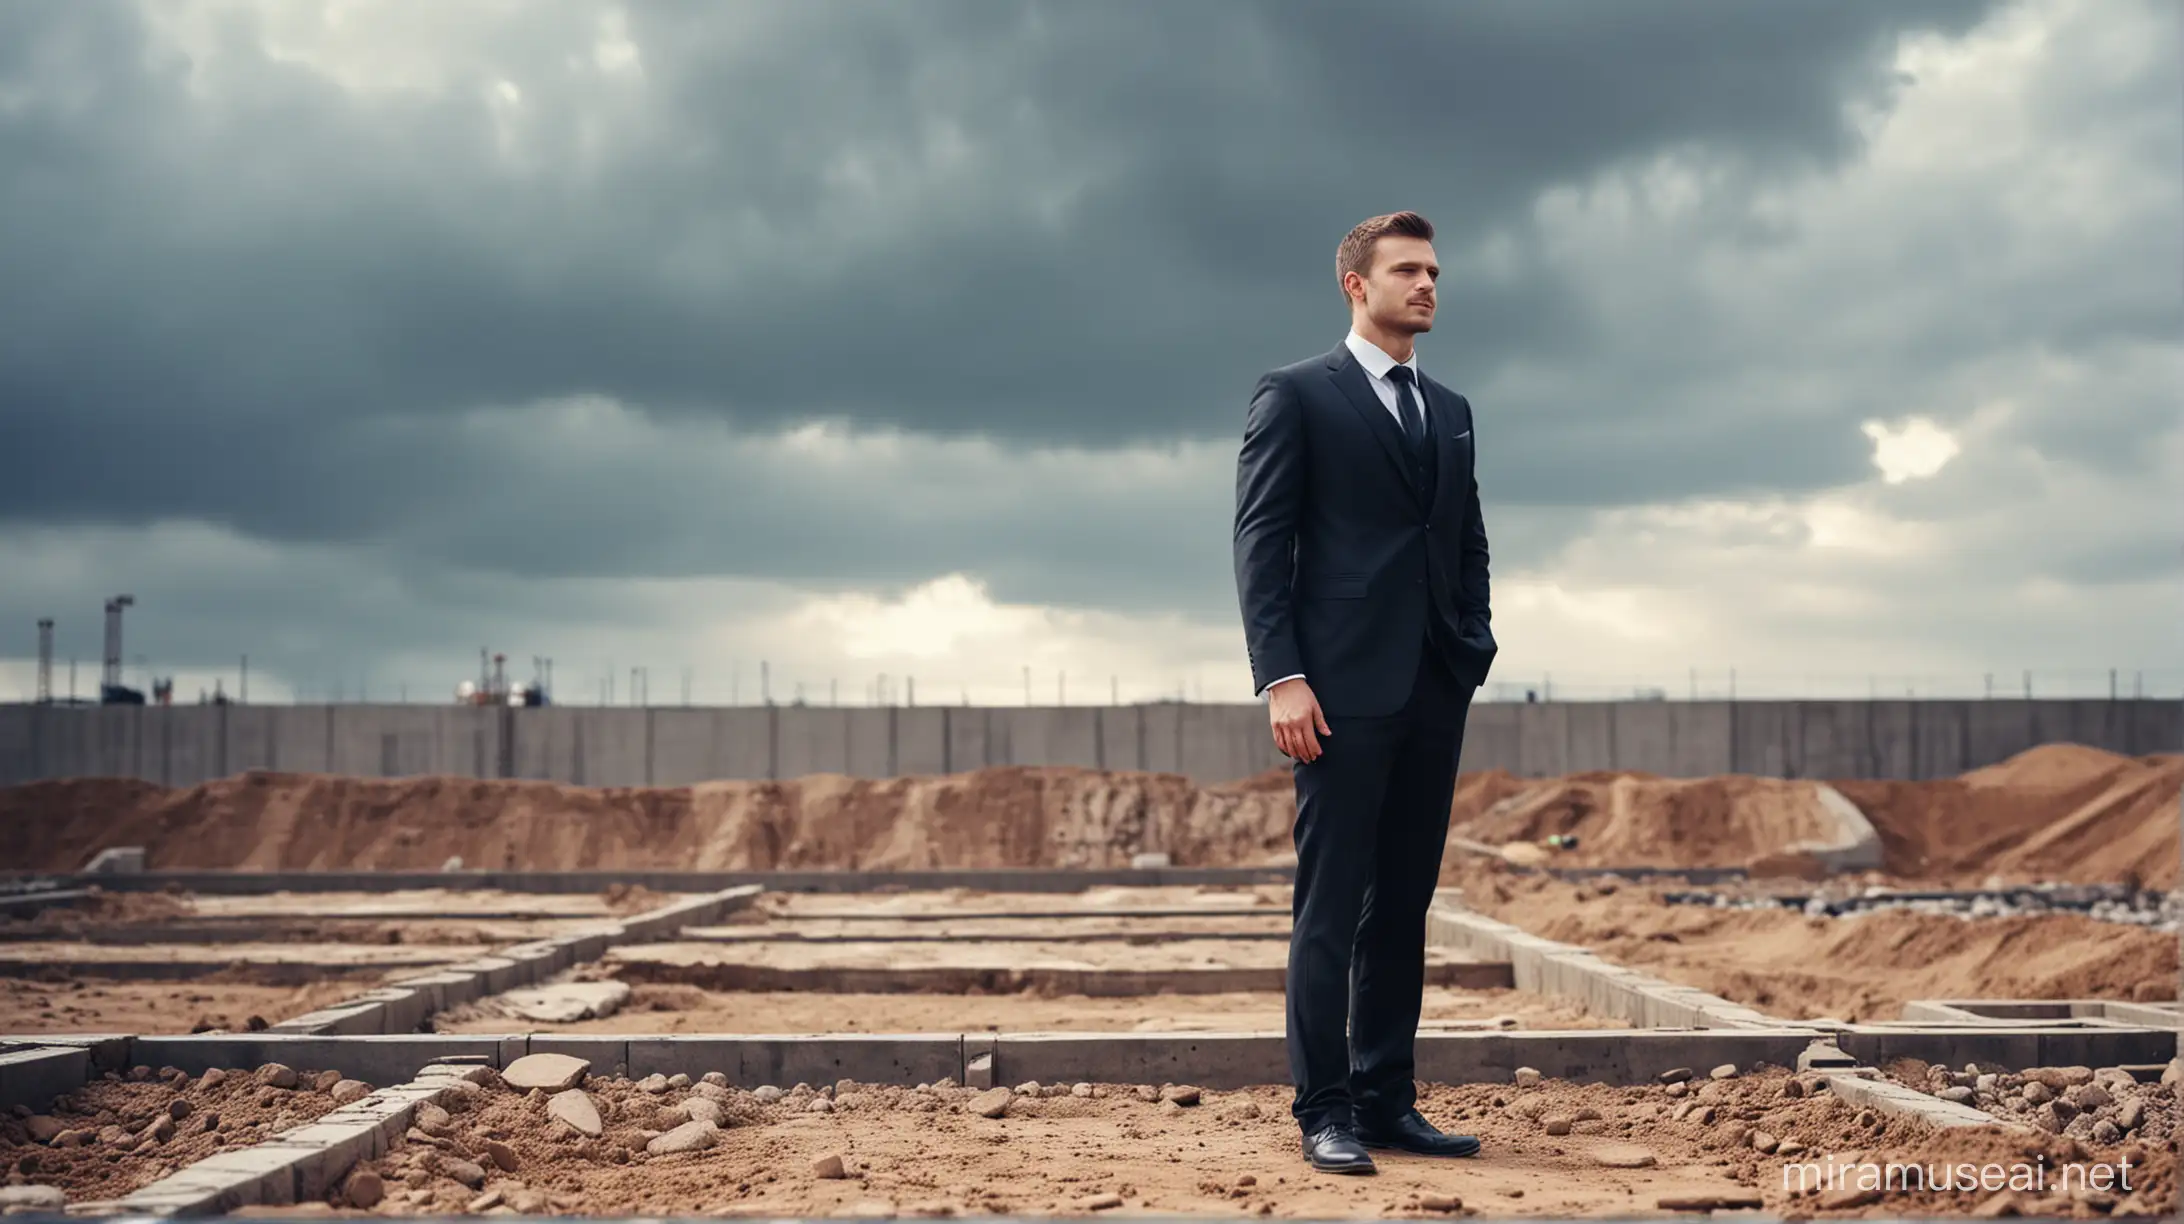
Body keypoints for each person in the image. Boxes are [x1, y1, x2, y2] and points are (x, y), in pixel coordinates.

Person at [1231, 210, 1497, 1174]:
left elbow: (1463, 537)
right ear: (1357, 284)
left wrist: (1474, 643)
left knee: (1405, 903)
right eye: (1407, 270)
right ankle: (1325, 1110)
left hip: (1433, 684)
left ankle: (1387, 1100)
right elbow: (1262, 544)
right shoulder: (1298, 394)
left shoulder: (1452, 407)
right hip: (1336, 692)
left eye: (1434, 270)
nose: (1427, 285)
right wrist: (1283, 677)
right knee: (1331, 904)